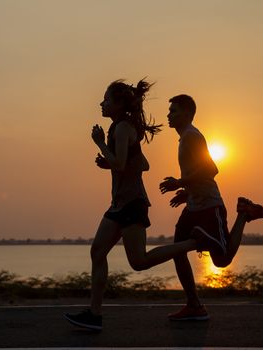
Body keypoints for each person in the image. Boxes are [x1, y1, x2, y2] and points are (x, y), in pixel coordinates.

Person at [64, 80, 201, 331]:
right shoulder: (119, 127)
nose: (101, 103)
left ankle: (195, 243)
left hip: (132, 204)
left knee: (139, 262)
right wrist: (112, 160)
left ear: (118, 104)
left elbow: (122, 164)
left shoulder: (123, 128)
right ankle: (94, 315)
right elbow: (142, 164)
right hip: (118, 204)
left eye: (106, 100)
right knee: (97, 252)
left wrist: (100, 145)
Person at [159, 94, 263, 321]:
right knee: (177, 251)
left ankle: (244, 214)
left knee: (222, 261)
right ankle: (194, 305)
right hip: (193, 206)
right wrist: (187, 193)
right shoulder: (184, 139)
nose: (169, 115)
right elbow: (197, 173)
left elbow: (211, 169)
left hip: (210, 206)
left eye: (174, 111)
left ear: (188, 114)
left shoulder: (192, 136)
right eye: (169, 111)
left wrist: (179, 183)